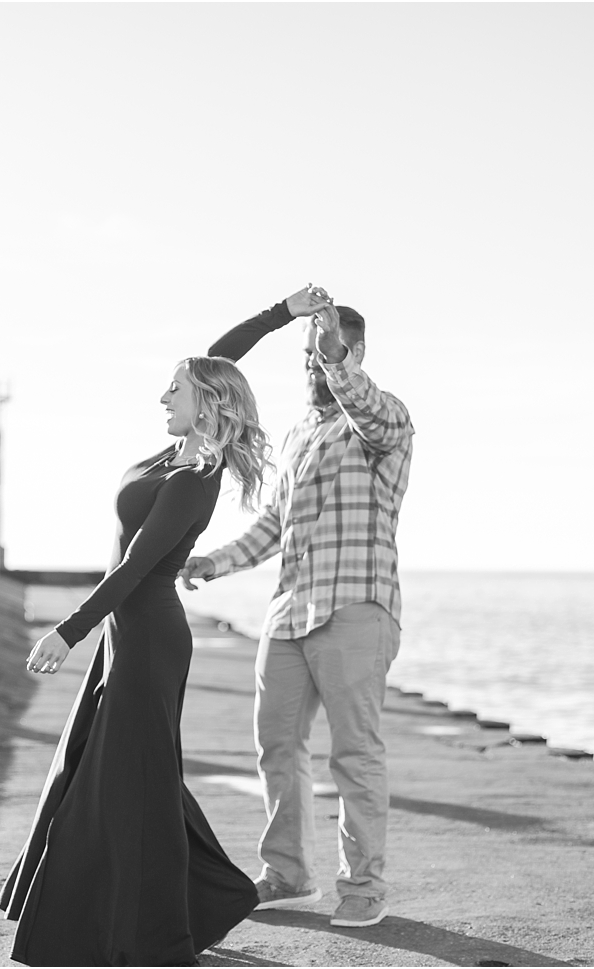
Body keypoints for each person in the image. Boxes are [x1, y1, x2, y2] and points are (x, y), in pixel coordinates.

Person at [0, 356, 270, 966]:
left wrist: (68, 633)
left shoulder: (195, 477)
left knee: (121, 784)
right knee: (124, 777)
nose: (162, 396)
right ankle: (205, 900)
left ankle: (147, 930)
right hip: (127, 636)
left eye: (175, 389)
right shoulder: (170, 458)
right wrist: (281, 312)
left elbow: (135, 568)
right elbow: (217, 357)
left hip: (149, 642)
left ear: (207, 402)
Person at [181, 287, 414, 929]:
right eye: (307, 360)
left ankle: (363, 886)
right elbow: (272, 525)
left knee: (354, 754)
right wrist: (212, 560)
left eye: (322, 355)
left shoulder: (384, 421)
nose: (312, 367)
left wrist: (332, 351)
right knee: (275, 747)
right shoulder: (296, 433)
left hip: (356, 608)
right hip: (287, 616)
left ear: (351, 352)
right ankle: (287, 874)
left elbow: (361, 399)